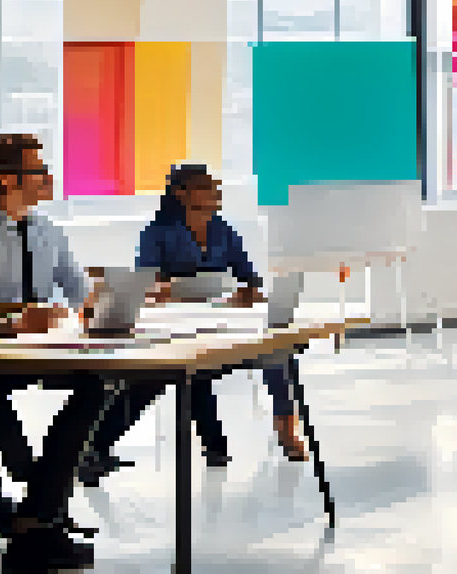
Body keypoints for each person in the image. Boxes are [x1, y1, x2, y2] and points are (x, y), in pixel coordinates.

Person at [80, 164, 308, 485]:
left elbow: (250, 279)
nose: (216, 191)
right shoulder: (157, 233)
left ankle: (286, 426)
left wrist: (247, 292)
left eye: (215, 186)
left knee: (278, 349)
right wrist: (174, 291)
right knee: (180, 373)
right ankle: (100, 446)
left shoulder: (224, 231)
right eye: (206, 186)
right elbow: (146, 283)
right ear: (182, 193)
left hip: (224, 322)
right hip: (175, 325)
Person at [0, 133, 111, 568]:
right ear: (8, 180)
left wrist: (108, 303)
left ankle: (34, 510)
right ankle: (40, 507)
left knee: (98, 384)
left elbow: (78, 290)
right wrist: (15, 322)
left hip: (47, 350)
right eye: (39, 171)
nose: (48, 178)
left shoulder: (49, 230)